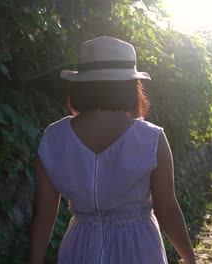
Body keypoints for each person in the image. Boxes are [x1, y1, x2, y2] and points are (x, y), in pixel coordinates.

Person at [29, 36, 196, 264]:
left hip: (80, 249)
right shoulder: (150, 138)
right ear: (130, 86)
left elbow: (43, 216)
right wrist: (189, 258)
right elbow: (167, 210)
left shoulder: (54, 137)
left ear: (80, 85)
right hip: (139, 249)